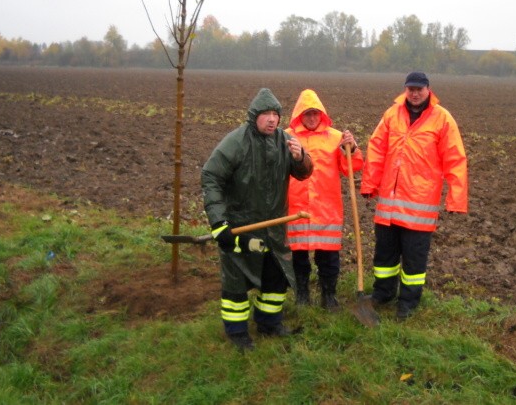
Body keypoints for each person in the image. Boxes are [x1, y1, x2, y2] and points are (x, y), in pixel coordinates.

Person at [201, 88, 313, 351]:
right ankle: (237, 332)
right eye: (266, 115)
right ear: (254, 117)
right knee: (236, 282)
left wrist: (300, 158)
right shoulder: (236, 141)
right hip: (242, 228)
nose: (272, 120)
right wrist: (219, 223)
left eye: (275, 114)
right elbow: (211, 176)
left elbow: (304, 173)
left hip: (273, 228)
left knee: (275, 279)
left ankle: (270, 323)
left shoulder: (286, 141)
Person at [360, 71, 468, 320]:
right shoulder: (391, 114)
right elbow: (376, 148)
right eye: (411, 89)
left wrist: (456, 199)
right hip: (388, 204)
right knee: (384, 255)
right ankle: (383, 294)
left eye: (419, 89)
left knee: (414, 259)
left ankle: (408, 303)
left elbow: (455, 159)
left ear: (428, 90)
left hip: (419, 206)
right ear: (405, 90)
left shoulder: (442, 119)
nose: (415, 93)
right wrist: (369, 184)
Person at [285, 89, 363, 310]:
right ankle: (302, 296)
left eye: (315, 113)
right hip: (296, 207)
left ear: (322, 115)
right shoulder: (286, 137)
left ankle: (329, 296)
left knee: (328, 257)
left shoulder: (336, 137)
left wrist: (353, 148)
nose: (311, 118)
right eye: (307, 113)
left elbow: (351, 168)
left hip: (326, 208)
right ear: (300, 115)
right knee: (299, 256)